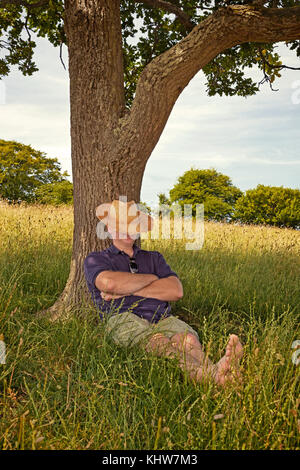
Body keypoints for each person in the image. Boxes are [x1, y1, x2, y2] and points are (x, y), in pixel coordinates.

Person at [84, 199, 243, 386]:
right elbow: (109, 283)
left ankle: (216, 374)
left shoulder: (154, 258)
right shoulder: (97, 258)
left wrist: (125, 290)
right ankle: (215, 375)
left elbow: (175, 291)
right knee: (158, 342)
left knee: (188, 339)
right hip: (123, 317)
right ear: (110, 228)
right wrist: (154, 279)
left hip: (162, 317)